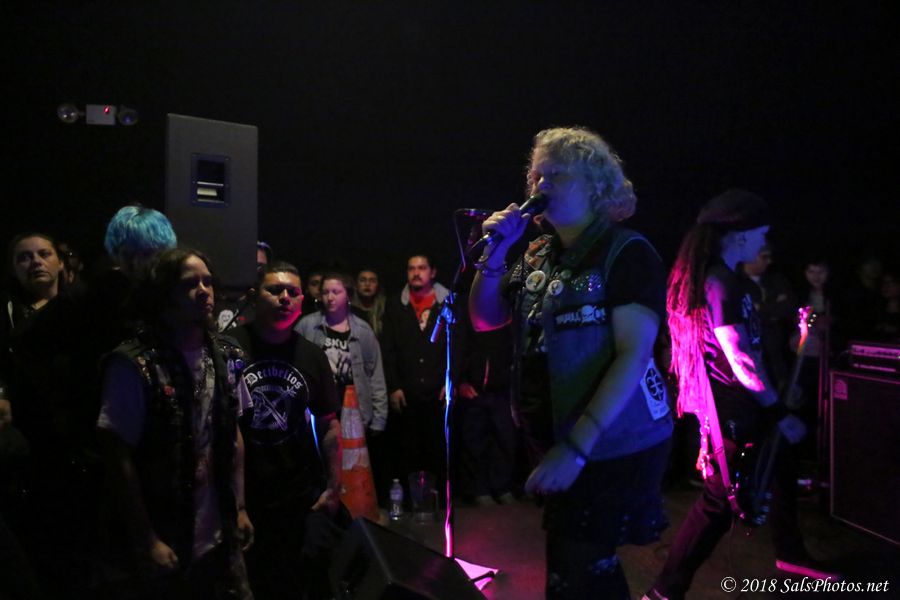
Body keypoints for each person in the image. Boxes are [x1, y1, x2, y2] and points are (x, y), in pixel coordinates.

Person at [469, 126, 673, 599]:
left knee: (574, 569)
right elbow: (484, 317)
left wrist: (577, 448)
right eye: (537, 176)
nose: (541, 185)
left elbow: (634, 354)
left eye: (557, 175)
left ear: (596, 186)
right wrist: (497, 250)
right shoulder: (538, 254)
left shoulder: (626, 252)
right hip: (559, 440)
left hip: (613, 443)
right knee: (587, 571)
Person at [645, 190, 838, 600]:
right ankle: (664, 591)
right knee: (717, 504)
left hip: (741, 408)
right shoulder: (721, 282)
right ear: (741, 234)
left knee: (781, 468)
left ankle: (790, 553)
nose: (765, 240)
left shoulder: (727, 280)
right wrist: (777, 411)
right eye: (761, 232)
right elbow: (740, 359)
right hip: (734, 412)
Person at [96, 248, 253, 599]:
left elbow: (233, 434)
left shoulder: (227, 355)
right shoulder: (133, 364)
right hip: (164, 532)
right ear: (164, 294)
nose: (204, 291)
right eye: (190, 284)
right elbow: (117, 456)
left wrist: (240, 507)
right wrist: (146, 538)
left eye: (208, 282)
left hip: (218, 536)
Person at [230, 262, 344, 600]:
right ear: (255, 296)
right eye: (275, 290)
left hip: (298, 495)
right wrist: (237, 505)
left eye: (293, 292)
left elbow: (329, 423)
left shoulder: (312, 355)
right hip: (249, 497)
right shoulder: (229, 349)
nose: (285, 297)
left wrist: (333, 487)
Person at [0, 232, 99, 597]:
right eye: (24, 257)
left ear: (60, 262)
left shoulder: (83, 312)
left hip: (79, 446)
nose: (36, 262)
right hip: (29, 448)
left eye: (44, 254)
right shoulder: (7, 315)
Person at [381, 255, 451, 492]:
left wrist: (450, 382)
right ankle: (410, 500)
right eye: (411, 268)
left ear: (433, 272)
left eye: (422, 268)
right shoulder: (395, 305)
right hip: (407, 392)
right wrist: (393, 386)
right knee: (407, 450)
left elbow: (458, 345)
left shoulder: (448, 302)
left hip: (438, 391)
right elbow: (388, 349)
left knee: (437, 449)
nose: (416, 273)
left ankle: (437, 498)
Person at [352, 268, 386, 337]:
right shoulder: (348, 310)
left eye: (372, 281)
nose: (367, 284)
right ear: (356, 285)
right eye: (362, 280)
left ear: (378, 286)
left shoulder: (386, 310)